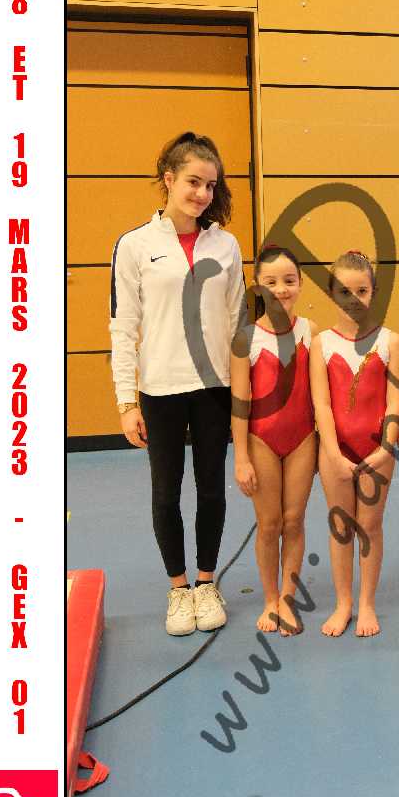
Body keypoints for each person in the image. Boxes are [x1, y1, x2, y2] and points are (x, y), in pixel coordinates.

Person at [109, 132, 245, 636]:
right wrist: (127, 401)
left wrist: (244, 394)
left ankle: (206, 583)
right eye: (193, 182)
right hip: (160, 390)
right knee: (165, 494)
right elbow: (123, 327)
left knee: (211, 489)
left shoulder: (226, 245)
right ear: (168, 179)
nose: (203, 194)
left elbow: (238, 323)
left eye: (210, 185)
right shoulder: (135, 245)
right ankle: (178, 589)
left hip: (214, 389)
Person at [309, 250, 399, 638]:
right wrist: (332, 453)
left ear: (374, 292)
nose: (353, 300)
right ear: (331, 293)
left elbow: (396, 403)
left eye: (361, 291)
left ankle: (366, 602)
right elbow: (321, 404)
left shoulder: (390, 341)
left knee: (369, 525)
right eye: (344, 291)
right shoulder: (322, 343)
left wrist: (385, 449)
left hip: (377, 450)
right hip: (335, 449)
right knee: (341, 527)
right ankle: (343, 603)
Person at [230, 244, 317, 635]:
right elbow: (240, 403)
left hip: (302, 438)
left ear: (300, 283)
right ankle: (269, 599)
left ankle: (287, 598)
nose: (281, 289)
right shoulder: (246, 339)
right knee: (269, 524)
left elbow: (318, 393)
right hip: (262, 439)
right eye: (271, 282)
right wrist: (241, 458)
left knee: (294, 521)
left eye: (289, 280)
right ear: (258, 286)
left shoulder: (309, 331)